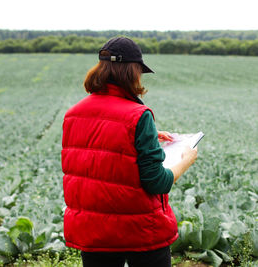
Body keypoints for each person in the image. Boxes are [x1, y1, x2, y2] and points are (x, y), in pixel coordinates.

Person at [61, 37, 198, 267]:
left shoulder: (73, 114)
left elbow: (97, 152)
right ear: (132, 71)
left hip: (93, 233)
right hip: (140, 232)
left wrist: (147, 138)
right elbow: (156, 182)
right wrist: (186, 160)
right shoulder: (138, 115)